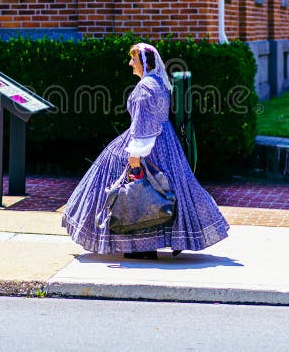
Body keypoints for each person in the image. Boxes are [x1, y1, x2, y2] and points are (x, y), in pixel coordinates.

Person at [62, 43, 229, 259]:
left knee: (137, 192)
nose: (130, 63)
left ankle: (141, 246)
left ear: (143, 62)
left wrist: (134, 158)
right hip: (166, 142)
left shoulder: (144, 88)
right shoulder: (159, 82)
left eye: (133, 59)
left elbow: (143, 125)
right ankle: (156, 242)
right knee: (160, 191)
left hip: (148, 143)